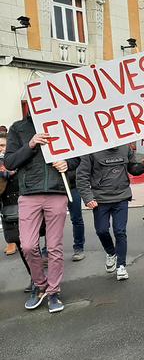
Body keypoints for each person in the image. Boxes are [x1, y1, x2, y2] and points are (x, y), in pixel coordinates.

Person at [4, 116, 78, 313]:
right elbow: (10, 162)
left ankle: (53, 291)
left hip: (57, 192)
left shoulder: (63, 121)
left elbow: (78, 156)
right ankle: (40, 284)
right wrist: (30, 144)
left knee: (54, 247)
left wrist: (68, 164)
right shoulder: (18, 128)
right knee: (28, 245)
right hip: (28, 193)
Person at [76, 144, 144, 281]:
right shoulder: (91, 150)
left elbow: (133, 168)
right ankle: (111, 252)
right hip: (100, 199)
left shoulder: (125, 148)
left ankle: (121, 266)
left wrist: (142, 166)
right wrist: (88, 198)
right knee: (101, 230)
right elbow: (82, 177)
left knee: (120, 231)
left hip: (122, 196)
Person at [0, 132, 31, 278]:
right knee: (21, 246)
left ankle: (40, 278)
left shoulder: (22, 161)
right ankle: (34, 278)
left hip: (29, 207)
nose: (0, 149)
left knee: (31, 246)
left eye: (2, 145)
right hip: (10, 211)